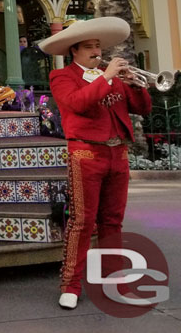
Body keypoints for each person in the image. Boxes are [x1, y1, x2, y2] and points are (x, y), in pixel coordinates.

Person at [38, 16, 151, 310]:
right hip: (86, 153)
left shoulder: (110, 75)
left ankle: (115, 282)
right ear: (74, 51)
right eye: (89, 47)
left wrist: (136, 85)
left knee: (113, 222)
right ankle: (71, 285)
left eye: (98, 46)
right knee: (82, 222)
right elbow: (77, 104)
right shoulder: (61, 77)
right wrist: (107, 77)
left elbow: (143, 108)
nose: (96, 52)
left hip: (118, 154)